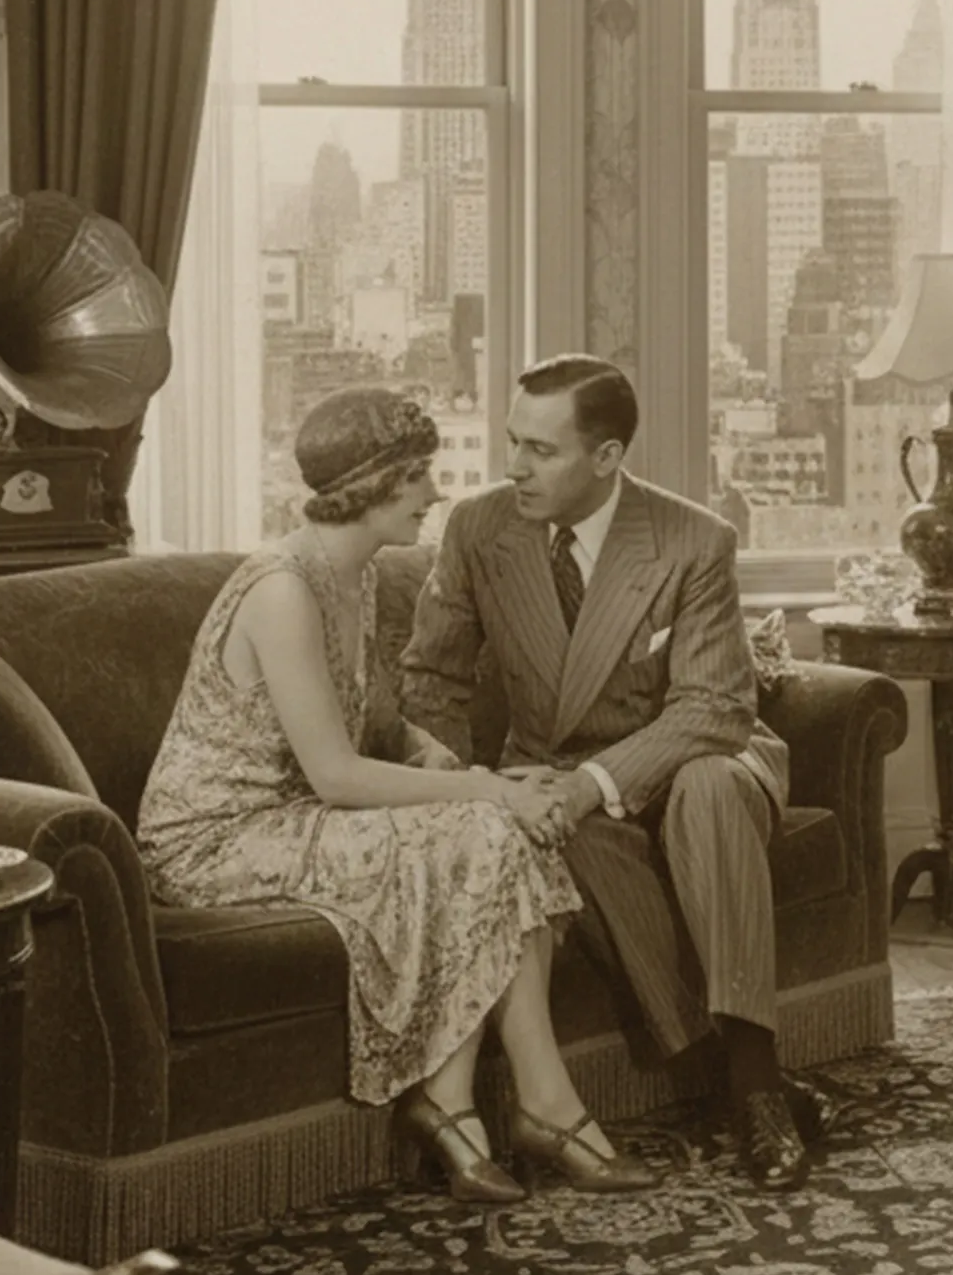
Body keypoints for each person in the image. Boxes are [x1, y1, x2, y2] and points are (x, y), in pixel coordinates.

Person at [137, 385, 656, 1204]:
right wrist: (486, 790)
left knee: (502, 831)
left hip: (296, 816)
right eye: (418, 474)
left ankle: (461, 1107)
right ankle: (534, 1111)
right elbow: (336, 774)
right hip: (216, 839)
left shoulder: (355, 578)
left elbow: (375, 724)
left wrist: (457, 771)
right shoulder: (282, 589)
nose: (433, 492)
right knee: (490, 827)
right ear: (374, 485)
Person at [402, 354, 822, 1191]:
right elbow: (431, 681)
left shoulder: (691, 537)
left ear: (607, 458)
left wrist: (591, 783)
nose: (514, 467)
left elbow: (712, 708)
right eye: (512, 443)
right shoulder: (479, 530)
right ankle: (716, 1071)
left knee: (702, 791)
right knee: (551, 826)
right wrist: (461, 793)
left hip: (698, 754)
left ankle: (756, 1081)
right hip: (551, 774)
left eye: (541, 451)